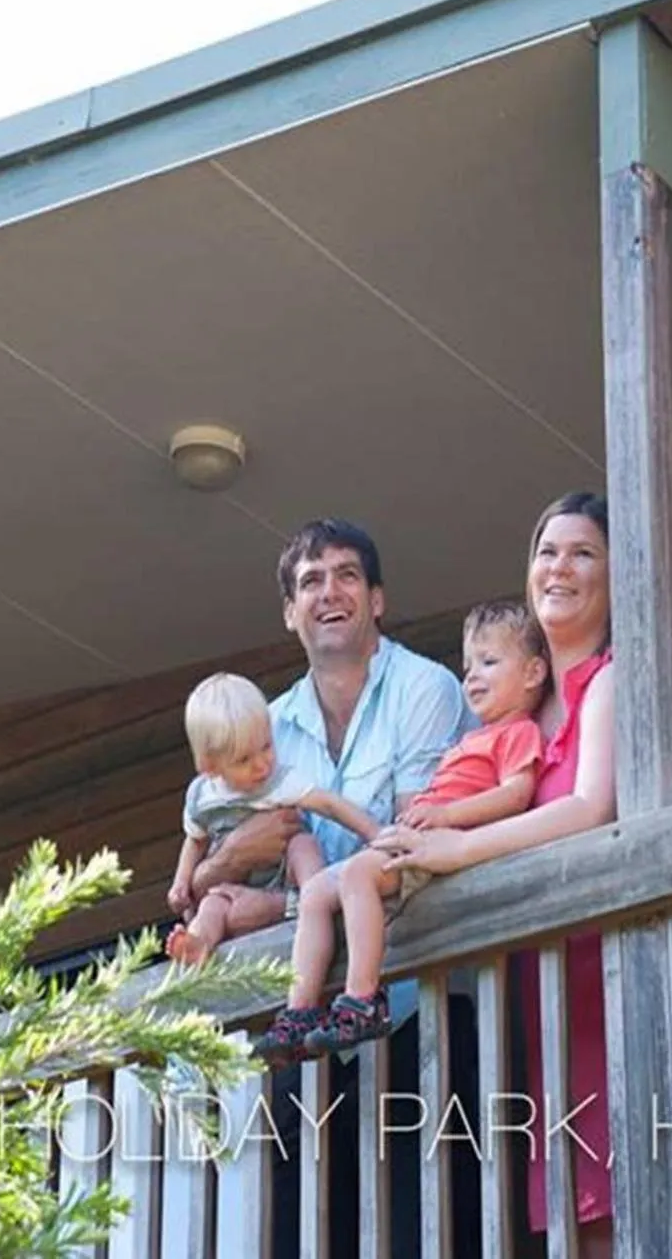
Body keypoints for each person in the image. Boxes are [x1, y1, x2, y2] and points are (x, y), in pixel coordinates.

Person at [373, 492, 672, 1259]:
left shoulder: (610, 680)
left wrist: (460, 851)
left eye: (583, 553)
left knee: (647, 1189)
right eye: (547, 551)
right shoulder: (515, 714)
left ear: (616, 576)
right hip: (555, 982)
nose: (560, 567)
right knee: (579, 1207)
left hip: (628, 960)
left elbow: (588, 807)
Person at [208, 519, 477, 1259]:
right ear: (289, 613)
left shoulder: (424, 689)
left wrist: (284, 901)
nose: (330, 592)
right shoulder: (267, 727)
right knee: (302, 1234)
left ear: (377, 599)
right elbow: (208, 875)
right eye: (311, 581)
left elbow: (407, 847)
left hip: (419, 1005)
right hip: (307, 1028)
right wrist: (231, 856)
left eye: (347, 575)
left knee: (427, 1231)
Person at [250, 599, 547, 1062]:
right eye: (468, 666)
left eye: (489, 662)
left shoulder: (519, 732)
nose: (472, 676)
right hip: (411, 839)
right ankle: (299, 1011)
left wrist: (446, 815)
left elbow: (516, 794)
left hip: (436, 847)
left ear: (532, 673)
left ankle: (363, 999)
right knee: (315, 893)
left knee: (356, 875)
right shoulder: (472, 739)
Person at [165, 672, 382, 965]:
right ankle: (198, 943)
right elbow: (195, 840)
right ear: (210, 767)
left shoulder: (279, 782)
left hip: (285, 880)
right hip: (238, 891)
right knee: (212, 907)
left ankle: (316, 896)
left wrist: (374, 832)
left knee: (303, 844)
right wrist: (180, 882)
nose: (262, 765)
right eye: (244, 759)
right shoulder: (202, 797)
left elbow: (328, 804)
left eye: (266, 746)